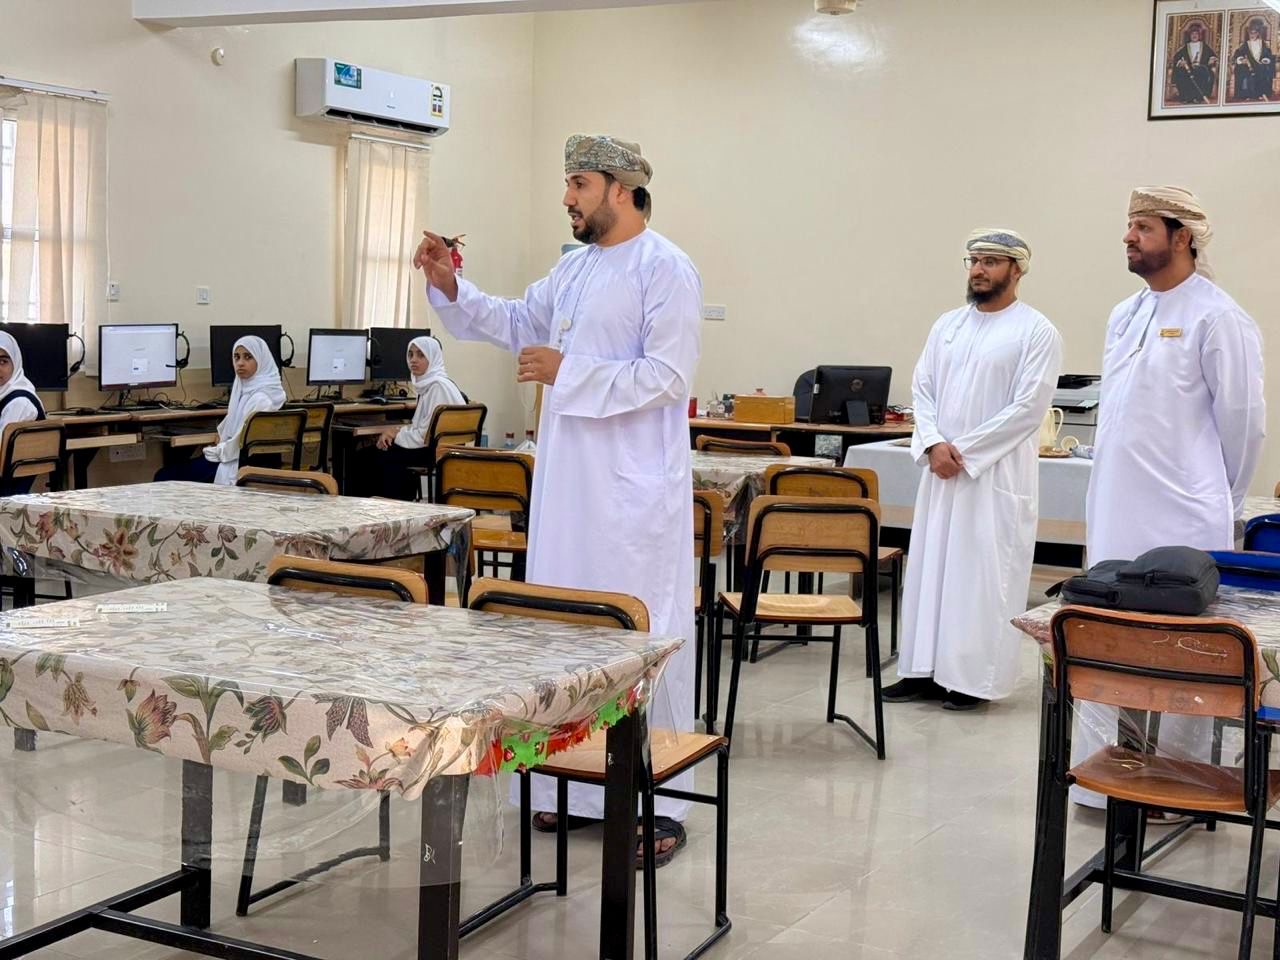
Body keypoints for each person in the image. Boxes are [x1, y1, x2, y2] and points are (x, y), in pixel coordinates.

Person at [414, 134, 701, 866]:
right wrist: (451, 286)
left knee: (636, 633)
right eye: (568, 183)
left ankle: (655, 800)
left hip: (632, 497)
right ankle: (572, 786)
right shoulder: (573, 269)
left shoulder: (666, 268)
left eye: (578, 183)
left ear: (620, 188)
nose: (567, 197)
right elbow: (517, 321)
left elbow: (669, 376)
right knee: (563, 633)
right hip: (569, 488)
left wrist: (567, 371)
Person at [1072, 186, 1265, 809]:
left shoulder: (1218, 317)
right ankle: (1105, 784)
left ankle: (1176, 790)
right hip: (1115, 510)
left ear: (1183, 237)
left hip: (1184, 514)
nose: (1128, 237)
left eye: (1143, 227)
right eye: (1128, 225)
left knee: (1178, 652)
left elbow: (1244, 424)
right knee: (1109, 640)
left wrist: (1223, 501)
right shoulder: (1124, 313)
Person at [881, 229, 1062, 711]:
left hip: (993, 477)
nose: (978, 270)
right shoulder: (948, 325)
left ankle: (971, 680)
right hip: (941, 473)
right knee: (930, 572)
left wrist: (962, 452)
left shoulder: (1037, 331)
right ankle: (921, 671)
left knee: (980, 579)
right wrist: (933, 443)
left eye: (991, 262)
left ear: (1016, 269)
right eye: (974, 260)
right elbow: (922, 389)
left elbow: (1028, 408)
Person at [154, 335, 286, 485]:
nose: (240, 363)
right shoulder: (260, 392)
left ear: (262, 360)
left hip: (239, 465)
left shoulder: (260, 399)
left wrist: (216, 450)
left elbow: (239, 445)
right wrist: (221, 438)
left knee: (163, 476)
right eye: (236, 357)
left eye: (248, 357)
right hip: (246, 462)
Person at [348, 335, 465, 500]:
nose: (413, 360)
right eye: (410, 354)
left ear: (433, 358)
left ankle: (382, 510)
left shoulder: (437, 387)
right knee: (375, 453)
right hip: (435, 448)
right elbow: (422, 428)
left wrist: (395, 434)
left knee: (367, 457)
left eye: (421, 355)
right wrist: (396, 432)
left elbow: (425, 435)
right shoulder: (435, 384)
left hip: (433, 450)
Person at [0, 331, 48, 495]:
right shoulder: (5, 395)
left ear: (15, 363)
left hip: (7, 491)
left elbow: (1, 452)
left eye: (3, 361)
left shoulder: (19, 402)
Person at [1171, 22, 1219, 104]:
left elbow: (1213, 56)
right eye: (1192, 34)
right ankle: (1187, 97)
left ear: (1199, 35)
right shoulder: (1186, 47)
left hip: (1201, 68)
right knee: (1181, 73)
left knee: (1202, 72)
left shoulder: (1204, 46)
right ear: (1190, 36)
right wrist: (1181, 62)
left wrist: (1211, 59)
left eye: (1196, 34)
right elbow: (1176, 57)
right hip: (1188, 69)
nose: (1194, 35)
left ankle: (1198, 97)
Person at [1232, 18, 1276, 102]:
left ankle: (1262, 93)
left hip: (1260, 65)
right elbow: (1238, 54)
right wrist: (1241, 59)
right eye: (1250, 33)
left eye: (1254, 33)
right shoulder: (1246, 44)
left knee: (1263, 70)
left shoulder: (1263, 43)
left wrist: (1265, 59)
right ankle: (1248, 94)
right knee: (1244, 71)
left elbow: (1268, 54)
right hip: (1249, 65)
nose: (1252, 35)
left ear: (1258, 33)